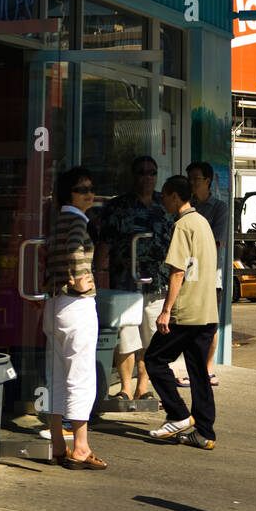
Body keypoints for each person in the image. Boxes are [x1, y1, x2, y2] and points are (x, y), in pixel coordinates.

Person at [145, 175, 218, 449]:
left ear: (175, 196)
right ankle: (205, 432)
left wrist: (166, 310)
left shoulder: (183, 225)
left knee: (154, 359)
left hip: (186, 311)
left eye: (164, 195)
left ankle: (177, 414)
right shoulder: (202, 223)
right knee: (199, 372)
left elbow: (178, 271)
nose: (162, 200)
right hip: (207, 310)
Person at [43, 167, 106, 469]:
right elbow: (74, 248)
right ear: (70, 194)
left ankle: (58, 445)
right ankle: (80, 447)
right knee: (81, 376)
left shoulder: (58, 220)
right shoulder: (78, 220)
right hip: (75, 304)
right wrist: (80, 278)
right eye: (82, 189)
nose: (89, 193)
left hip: (53, 303)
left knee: (56, 375)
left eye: (91, 188)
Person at [95, 156, 172, 401]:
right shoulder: (118, 206)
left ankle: (143, 387)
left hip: (157, 282)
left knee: (152, 338)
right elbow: (104, 245)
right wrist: (98, 278)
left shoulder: (165, 204)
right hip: (125, 284)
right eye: (141, 172)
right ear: (133, 175)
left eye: (151, 172)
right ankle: (125, 388)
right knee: (127, 337)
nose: (147, 177)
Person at [187, 161, 228, 386]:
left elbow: (217, 241)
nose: (192, 183)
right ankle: (194, 368)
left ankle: (208, 368)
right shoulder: (187, 206)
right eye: (190, 178)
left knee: (210, 323)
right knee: (191, 324)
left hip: (211, 276)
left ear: (208, 181)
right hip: (189, 275)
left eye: (196, 178)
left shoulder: (218, 208)